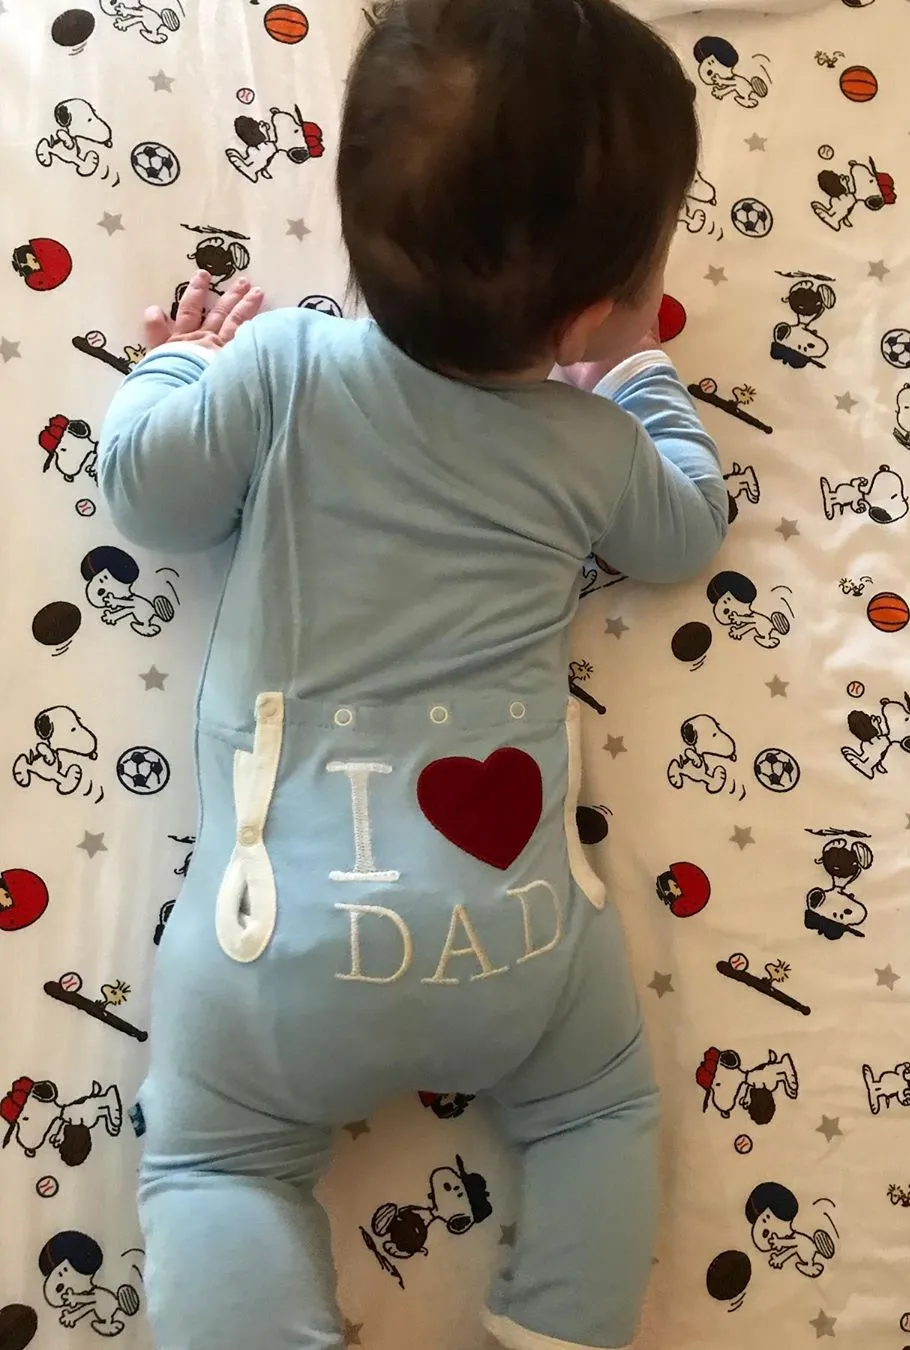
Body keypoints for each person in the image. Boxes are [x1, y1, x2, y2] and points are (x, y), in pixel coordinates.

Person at [96, 2, 728, 1348]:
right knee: (600, 1111)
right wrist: (639, 384)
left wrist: (177, 362)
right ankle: (560, 1328)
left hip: (273, 941)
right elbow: (686, 531)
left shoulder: (282, 367)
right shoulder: (589, 445)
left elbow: (146, 493)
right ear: (586, 314)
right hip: (512, 940)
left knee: (213, 1166)